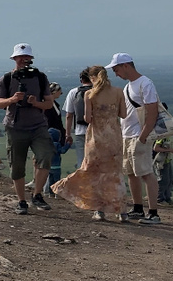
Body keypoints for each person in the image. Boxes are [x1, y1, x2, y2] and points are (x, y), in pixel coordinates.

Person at [52, 66, 127, 221]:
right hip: (114, 136)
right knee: (115, 173)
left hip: (96, 136)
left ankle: (99, 210)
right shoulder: (119, 91)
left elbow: (87, 118)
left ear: (92, 77)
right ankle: (122, 212)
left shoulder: (89, 94)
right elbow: (123, 114)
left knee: (93, 171)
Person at [0, 43, 56, 215]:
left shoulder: (41, 78)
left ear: (31, 59)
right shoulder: (6, 79)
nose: (23, 60)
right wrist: (12, 99)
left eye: (26, 57)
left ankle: (37, 195)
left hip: (38, 125)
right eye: (20, 57)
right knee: (17, 165)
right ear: (14, 59)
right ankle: (21, 201)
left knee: (45, 156)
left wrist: (36, 103)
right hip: (15, 126)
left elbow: (49, 103)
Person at [108, 53, 163, 225]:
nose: (116, 73)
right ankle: (138, 207)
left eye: (116, 69)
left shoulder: (145, 83)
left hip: (139, 135)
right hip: (127, 134)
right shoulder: (128, 87)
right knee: (131, 173)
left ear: (126, 66)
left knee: (146, 172)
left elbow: (152, 111)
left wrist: (143, 137)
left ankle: (153, 213)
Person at [63, 68, 93, 168]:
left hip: (80, 131)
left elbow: (69, 115)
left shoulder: (74, 92)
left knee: (82, 161)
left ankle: (83, 182)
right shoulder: (99, 92)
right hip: (97, 131)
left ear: (81, 80)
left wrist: (68, 134)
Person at [43, 82, 66, 197]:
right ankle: (49, 189)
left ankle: (48, 189)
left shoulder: (55, 104)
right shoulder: (48, 105)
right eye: (59, 91)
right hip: (51, 136)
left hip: (55, 135)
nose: (60, 93)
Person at [154, 137, 173, 205]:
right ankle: (160, 198)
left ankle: (167, 198)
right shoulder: (162, 137)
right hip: (161, 162)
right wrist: (169, 150)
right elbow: (156, 148)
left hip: (167, 160)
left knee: (170, 180)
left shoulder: (167, 137)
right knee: (163, 180)